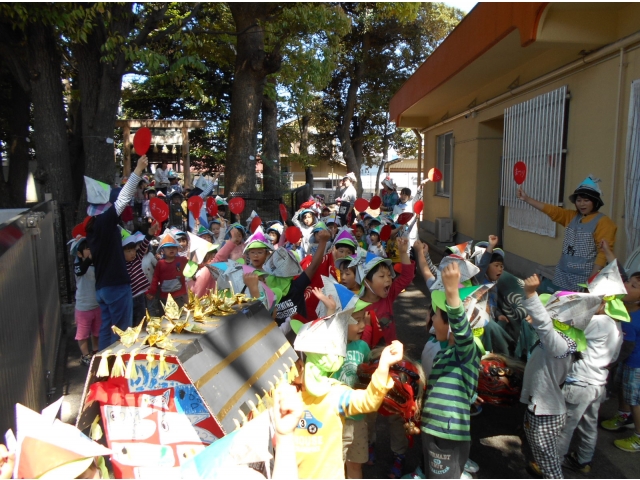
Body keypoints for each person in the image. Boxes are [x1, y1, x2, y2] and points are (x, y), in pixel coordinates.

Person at [520, 275, 602, 478]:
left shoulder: (560, 346)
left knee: (549, 465)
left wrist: (530, 294)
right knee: (543, 458)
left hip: (545, 412)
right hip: (540, 407)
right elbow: (542, 327)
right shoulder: (562, 342)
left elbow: (544, 327)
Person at [557, 260, 627, 472]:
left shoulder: (595, 322)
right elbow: (614, 356)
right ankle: (583, 460)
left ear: (603, 301)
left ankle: (552, 463)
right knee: (589, 424)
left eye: (589, 296)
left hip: (580, 381)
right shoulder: (616, 325)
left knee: (565, 424)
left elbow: (564, 332)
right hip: (598, 382)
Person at [85, 155, 148, 350]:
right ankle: (118, 365)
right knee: (122, 331)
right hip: (115, 286)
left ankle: (105, 363)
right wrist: (137, 171)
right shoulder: (105, 222)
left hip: (103, 288)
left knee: (107, 329)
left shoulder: (93, 228)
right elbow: (123, 199)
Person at [517, 175, 617, 291]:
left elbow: (603, 254)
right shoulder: (571, 216)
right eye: (579, 200)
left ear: (595, 202)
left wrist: (592, 281)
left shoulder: (604, 222)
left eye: (586, 200)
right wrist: (527, 199)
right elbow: (552, 210)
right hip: (563, 273)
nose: (582, 204)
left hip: (585, 277)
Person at [70, 237, 101, 366]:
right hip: (83, 307)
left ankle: (96, 350)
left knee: (97, 331)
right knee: (82, 334)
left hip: (97, 304)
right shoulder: (78, 266)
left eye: (91, 247)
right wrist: (88, 259)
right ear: (79, 253)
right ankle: (85, 355)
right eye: (87, 249)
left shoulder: (96, 264)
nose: (91, 250)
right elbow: (81, 270)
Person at [123, 224, 158, 329]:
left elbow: (144, 245)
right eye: (128, 251)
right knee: (132, 320)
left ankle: (142, 333)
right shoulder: (122, 265)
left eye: (133, 250)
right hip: (130, 298)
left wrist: (149, 234)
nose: (132, 253)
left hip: (141, 295)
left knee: (142, 318)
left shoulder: (137, 258)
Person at [146, 231, 188, 308]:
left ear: (177, 249)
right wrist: (152, 292)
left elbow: (192, 266)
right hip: (165, 297)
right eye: (168, 248)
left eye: (174, 247)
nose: (171, 249)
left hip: (180, 295)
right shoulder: (160, 263)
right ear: (162, 250)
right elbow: (155, 279)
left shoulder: (182, 260)